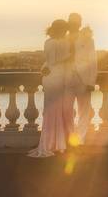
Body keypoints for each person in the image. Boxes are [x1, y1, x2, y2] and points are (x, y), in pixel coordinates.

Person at [28, 19, 72, 158]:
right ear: (60, 30)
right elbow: (54, 60)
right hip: (57, 78)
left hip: (51, 77)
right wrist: (71, 55)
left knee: (52, 111)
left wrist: (44, 69)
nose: (66, 32)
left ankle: (52, 143)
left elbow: (48, 62)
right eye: (64, 30)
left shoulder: (49, 42)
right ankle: (56, 143)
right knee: (56, 111)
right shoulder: (58, 42)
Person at [65, 12, 98, 144]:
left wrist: (91, 81)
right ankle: (70, 138)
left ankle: (80, 141)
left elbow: (93, 61)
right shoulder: (63, 38)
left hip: (84, 79)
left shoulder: (88, 39)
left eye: (76, 21)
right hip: (66, 79)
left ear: (79, 23)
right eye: (71, 21)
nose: (73, 24)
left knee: (84, 111)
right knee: (66, 110)